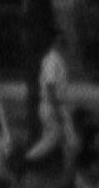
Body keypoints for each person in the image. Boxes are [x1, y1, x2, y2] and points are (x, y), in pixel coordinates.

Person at [26, 31, 79, 177]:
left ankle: (68, 174)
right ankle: (27, 161)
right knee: (61, 141)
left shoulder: (57, 60)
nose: (65, 45)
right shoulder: (52, 60)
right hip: (53, 106)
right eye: (62, 41)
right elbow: (50, 87)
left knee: (66, 142)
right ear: (56, 42)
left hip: (56, 105)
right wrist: (57, 111)